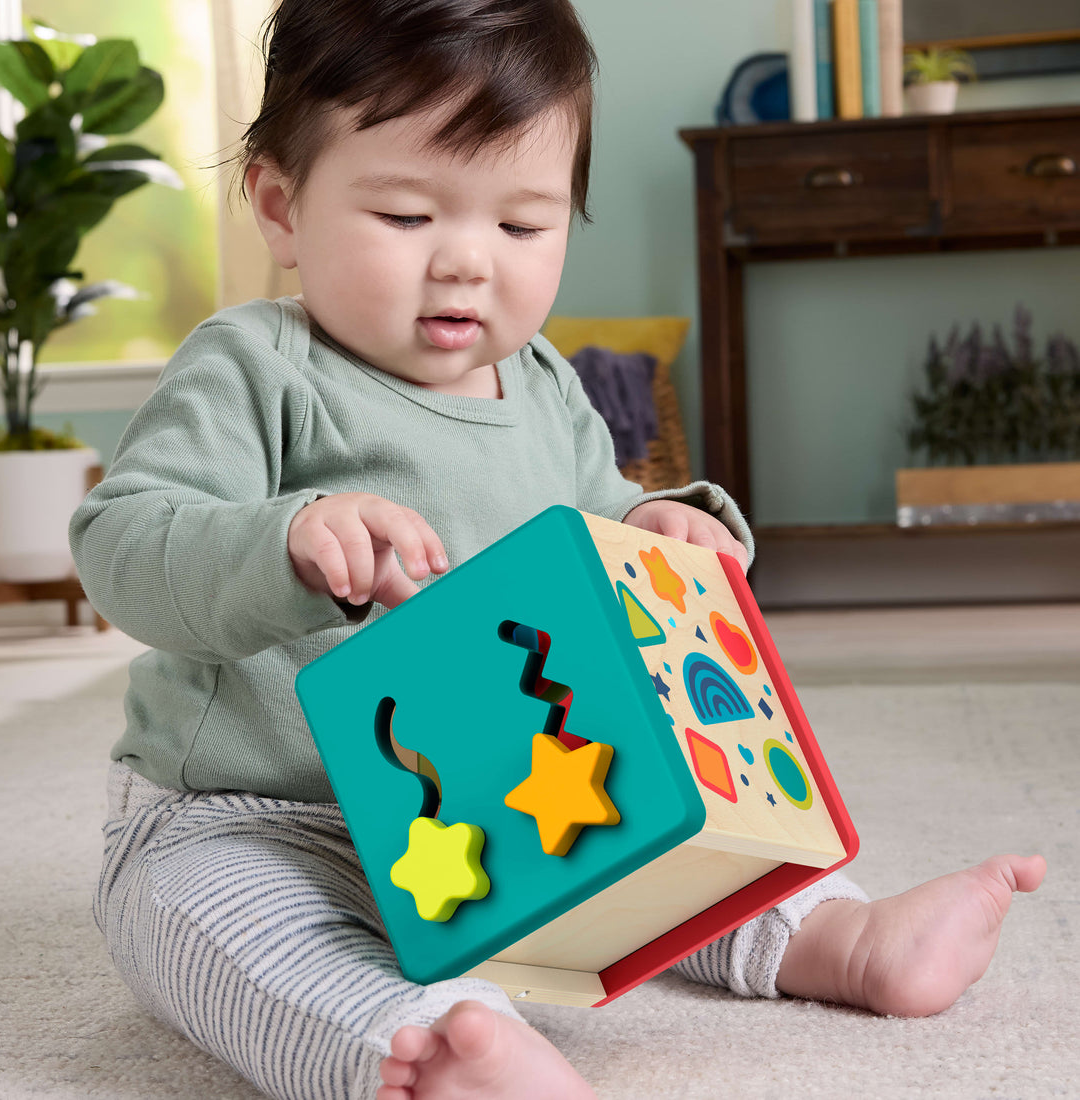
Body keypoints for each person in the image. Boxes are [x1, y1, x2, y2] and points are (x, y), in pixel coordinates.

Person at [70, 1, 1046, 1098]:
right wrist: (286, 539)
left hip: (499, 801)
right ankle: (429, 1048)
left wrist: (661, 525)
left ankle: (841, 938)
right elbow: (122, 540)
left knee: (667, 835)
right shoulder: (254, 364)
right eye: (404, 214)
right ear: (280, 206)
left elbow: (601, 514)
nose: (465, 263)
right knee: (218, 927)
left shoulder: (543, 384)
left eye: (522, 226)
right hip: (259, 813)